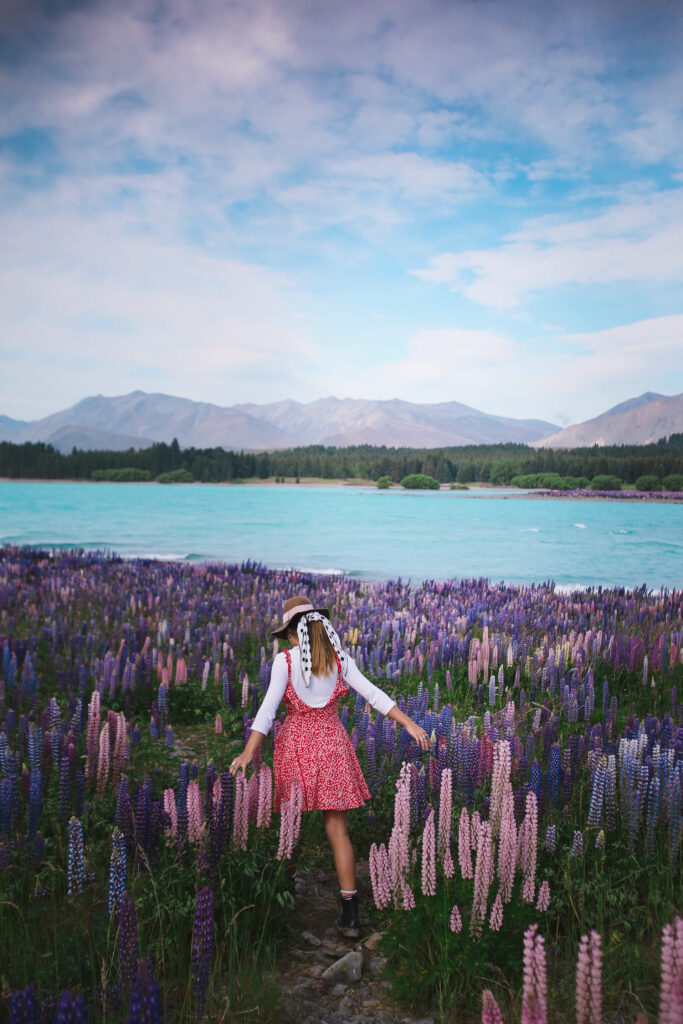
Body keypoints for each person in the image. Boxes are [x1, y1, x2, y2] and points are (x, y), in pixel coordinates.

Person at [229, 594, 430, 938]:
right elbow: (373, 694)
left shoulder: (285, 663)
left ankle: (285, 892)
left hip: (295, 746)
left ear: (294, 634)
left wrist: (249, 752)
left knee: (288, 823)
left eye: (288, 634)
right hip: (332, 745)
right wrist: (407, 722)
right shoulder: (339, 660)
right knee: (338, 831)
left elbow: (267, 710)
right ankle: (350, 914)